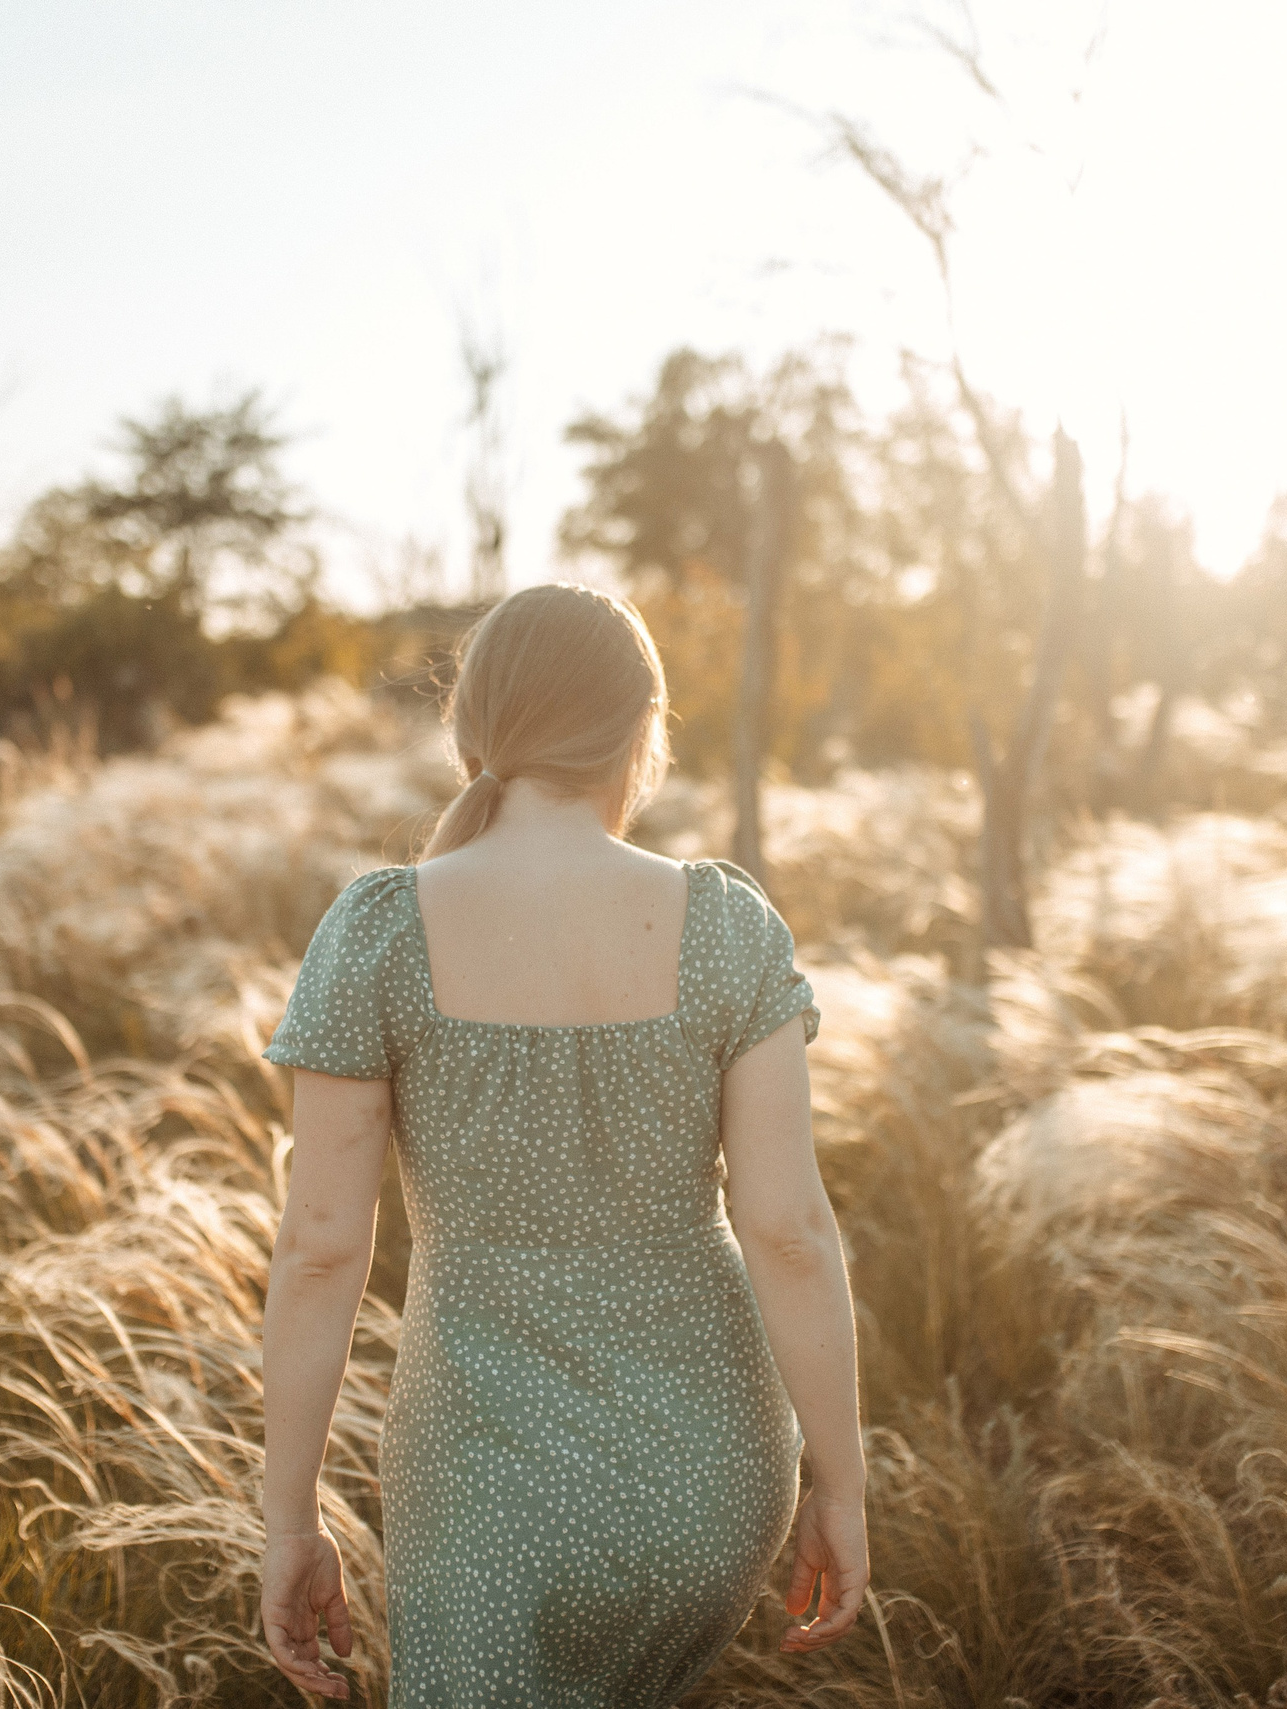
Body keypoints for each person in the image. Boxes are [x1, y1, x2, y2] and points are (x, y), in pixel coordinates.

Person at [254, 581, 868, 1705]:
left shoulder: (379, 931)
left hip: (491, 1497)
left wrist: (288, 1517)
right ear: (643, 730)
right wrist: (841, 1483)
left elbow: (320, 1247)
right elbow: (787, 1229)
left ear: (473, 728)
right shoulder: (728, 923)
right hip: (712, 1478)